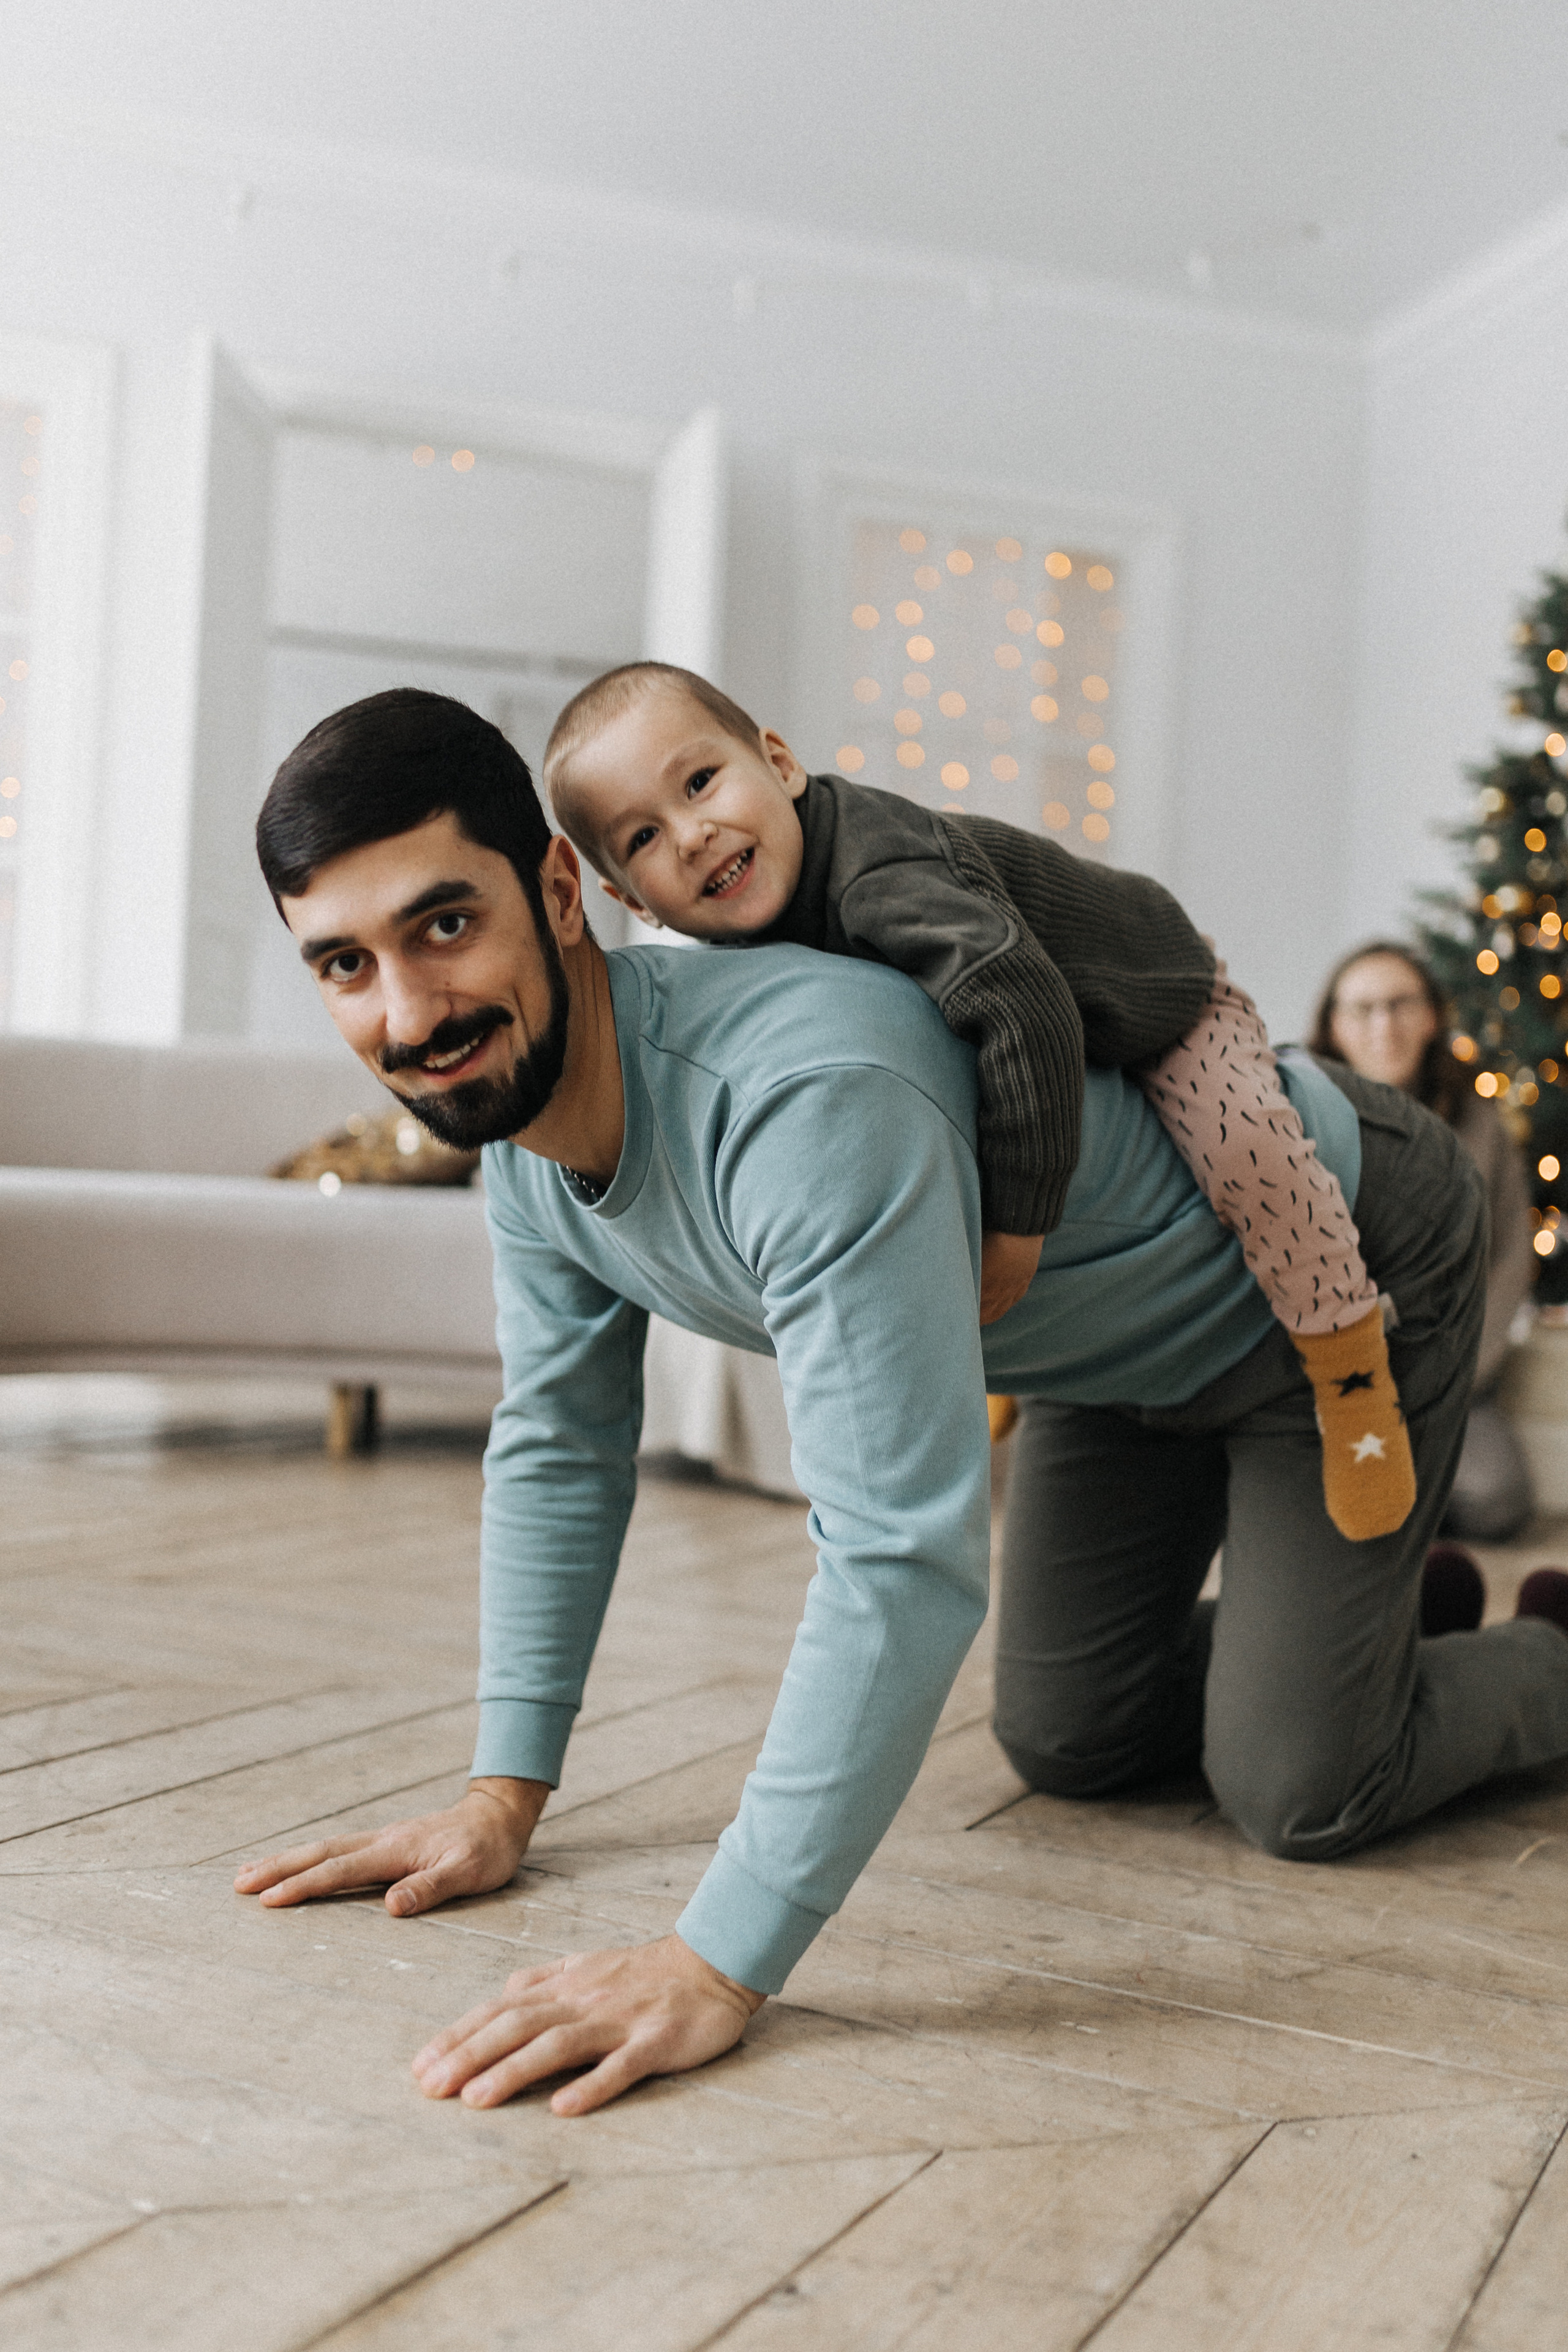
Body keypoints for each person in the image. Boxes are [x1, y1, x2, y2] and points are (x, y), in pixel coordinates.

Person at [235, 687, 1568, 2121]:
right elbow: (558, 1443)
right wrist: (503, 1794)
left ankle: (1503, 1653)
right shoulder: (517, 1143)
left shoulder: (806, 1095)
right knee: (1066, 1735)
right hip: (1111, 1362)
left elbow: (899, 1557)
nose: (408, 1011)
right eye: (343, 964)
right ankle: (1357, 1628)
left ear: (561, 893)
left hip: (1337, 1261)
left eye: (444, 925)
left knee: (1300, 1787)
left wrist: (716, 1957)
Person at [540, 663, 1412, 1544]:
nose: (690, 834)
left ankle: (1348, 1360)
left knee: (1245, 1152)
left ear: (779, 761)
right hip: (1039, 1022)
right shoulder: (746, 959)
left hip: (1158, 998)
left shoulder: (878, 872)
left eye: (700, 782)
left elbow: (1028, 1011)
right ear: (628, 900)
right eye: (644, 837)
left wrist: (1021, 1226)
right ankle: (998, 1370)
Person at [1310, 942, 1536, 1542]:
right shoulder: (1296, 1117)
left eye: (1399, 1004)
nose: (1383, 1025)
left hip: (1449, 1375)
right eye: (1361, 1009)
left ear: (1432, 1016)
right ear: (1334, 1024)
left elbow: (1512, 1260)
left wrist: (1450, 1372)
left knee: (1497, 1501)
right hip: (1323, 1378)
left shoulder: (1480, 1124)